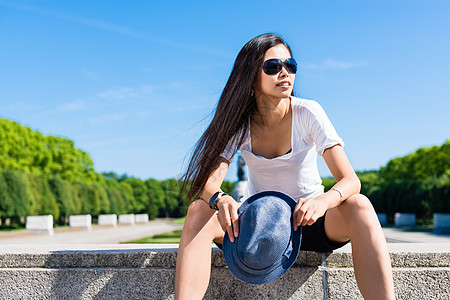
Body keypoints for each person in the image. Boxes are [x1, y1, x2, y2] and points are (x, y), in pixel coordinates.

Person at [175, 33, 395, 300]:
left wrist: (322, 202)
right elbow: (209, 183)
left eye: (290, 65)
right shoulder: (239, 124)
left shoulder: (308, 112)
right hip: (260, 228)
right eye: (272, 67)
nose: (284, 72)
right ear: (250, 76)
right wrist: (220, 199)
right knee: (199, 210)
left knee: (360, 205)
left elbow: (351, 180)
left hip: (311, 222)